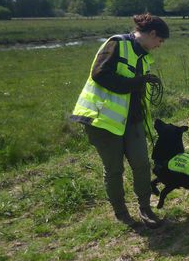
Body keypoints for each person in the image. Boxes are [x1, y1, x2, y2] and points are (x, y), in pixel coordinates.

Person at [70, 13, 169, 228]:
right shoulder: (116, 44)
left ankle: (145, 208)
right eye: (159, 41)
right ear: (152, 34)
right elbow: (99, 74)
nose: (159, 46)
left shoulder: (144, 57)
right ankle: (121, 213)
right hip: (103, 121)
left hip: (133, 121)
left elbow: (136, 90)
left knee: (142, 165)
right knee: (114, 170)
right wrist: (135, 82)